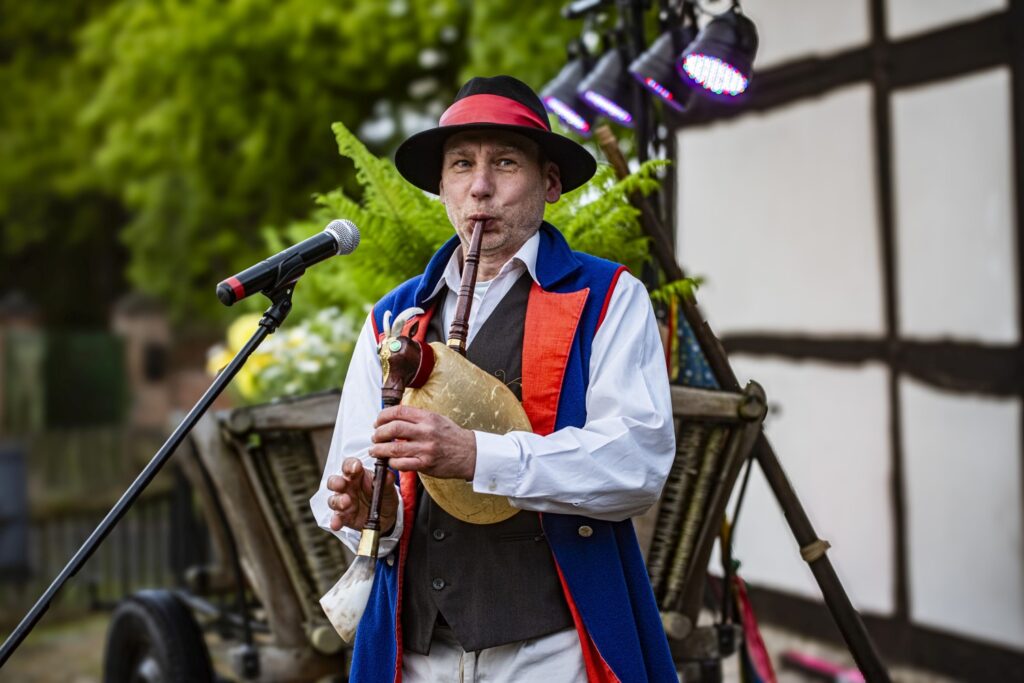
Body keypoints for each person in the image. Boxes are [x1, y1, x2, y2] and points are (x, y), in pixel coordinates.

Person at [311, 75, 677, 682]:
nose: (480, 186)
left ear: (550, 182)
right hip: (417, 654)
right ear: (442, 187)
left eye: (504, 163)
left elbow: (636, 463)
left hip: (552, 652)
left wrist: (477, 456)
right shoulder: (391, 317)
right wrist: (373, 511)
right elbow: (353, 476)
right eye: (461, 165)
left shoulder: (608, 297)